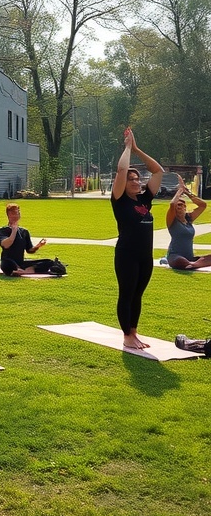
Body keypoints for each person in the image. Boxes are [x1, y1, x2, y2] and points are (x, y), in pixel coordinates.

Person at [111, 128, 164, 350]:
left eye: (137, 178)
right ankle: (126, 335)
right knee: (127, 293)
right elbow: (122, 169)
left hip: (145, 257)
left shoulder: (145, 199)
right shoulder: (120, 200)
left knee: (138, 294)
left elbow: (158, 171)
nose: (135, 181)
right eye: (131, 179)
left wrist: (137, 149)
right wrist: (126, 148)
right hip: (127, 255)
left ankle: (134, 331)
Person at [0, 203, 57, 276]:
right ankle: (22, 270)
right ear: (8, 215)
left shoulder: (24, 232)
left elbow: (29, 250)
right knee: (7, 264)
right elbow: (6, 245)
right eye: (13, 213)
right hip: (8, 262)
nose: (16, 215)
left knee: (49, 262)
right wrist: (14, 230)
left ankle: (23, 271)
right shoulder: (2, 230)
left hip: (20, 262)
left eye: (17, 212)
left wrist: (38, 246)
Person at [166, 177, 211, 270]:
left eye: (181, 205)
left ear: (185, 207)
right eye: (177, 205)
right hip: (175, 256)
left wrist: (187, 192)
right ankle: (193, 264)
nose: (178, 207)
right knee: (181, 262)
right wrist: (180, 191)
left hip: (190, 257)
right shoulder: (172, 221)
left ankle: (193, 264)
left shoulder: (189, 218)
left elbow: (203, 205)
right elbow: (172, 204)